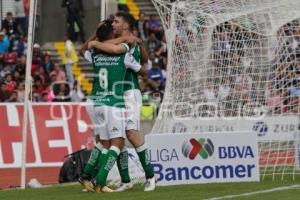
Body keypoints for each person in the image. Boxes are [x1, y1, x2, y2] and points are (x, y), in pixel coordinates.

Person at [80, 19, 137, 193]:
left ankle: (86, 175)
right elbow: (125, 48)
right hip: (113, 102)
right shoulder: (123, 50)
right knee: (118, 143)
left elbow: (83, 50)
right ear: (112, 35)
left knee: (104, 143)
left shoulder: (95, 52)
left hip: (97, 101)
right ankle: (101, 180)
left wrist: (95, 40)